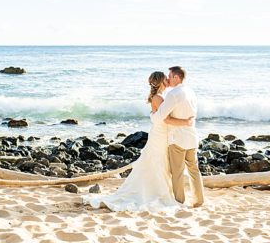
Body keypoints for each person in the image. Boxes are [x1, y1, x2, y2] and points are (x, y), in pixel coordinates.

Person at [82, 71, 193, 211]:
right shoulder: (159, 98)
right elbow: (167, 119)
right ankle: (156, 191)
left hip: (161, 134)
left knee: (159, 163)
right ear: (160, 82)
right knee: (157, 163)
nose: (168, 80)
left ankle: (160, 190)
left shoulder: (160, 97)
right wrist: (186, 121)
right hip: (160, 135)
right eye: (165, 78)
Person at [151, 66, 204, 208]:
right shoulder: (191, 92)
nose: (167, 79)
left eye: (169, 76)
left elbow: (161, 116)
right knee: (194, 170)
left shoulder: (173, 94)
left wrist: (152, 115)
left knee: (177, 173)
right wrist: (186, 122)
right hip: (192, 137)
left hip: (177, 139)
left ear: (176, 77)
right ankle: (199, 200)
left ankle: (179, 202)